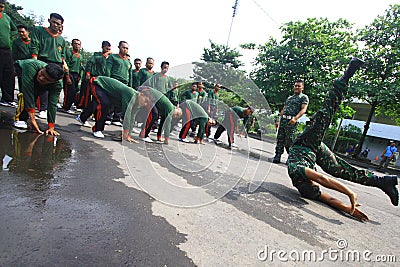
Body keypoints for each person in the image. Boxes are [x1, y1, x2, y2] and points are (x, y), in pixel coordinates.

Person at [287, 57, 398, 222]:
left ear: (308, 181)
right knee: (339, 169)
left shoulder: (296, 169)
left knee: (323, 117)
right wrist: (348, 209)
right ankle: (382, 181)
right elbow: (328, 199)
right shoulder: (309, 191)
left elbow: (322, 179)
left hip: (304, 145)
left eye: (314, 183)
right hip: (315, 151)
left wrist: (349, 193)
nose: (316, 184)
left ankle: (344, 78)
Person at [75, 76, 151, 139]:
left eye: (147, 103)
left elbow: (133, 117)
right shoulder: (130, 94)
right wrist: (126, 131)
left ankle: (82, 118)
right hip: (98, 83)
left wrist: (128, 134)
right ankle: (97, 129)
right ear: (141, 94)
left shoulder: (138, 103)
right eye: (145, 101)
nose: (145, 104)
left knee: (95, 104)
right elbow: (126, 115)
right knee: (104, 104)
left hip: (107, 92)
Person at [30, 13, 68, 119]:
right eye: (53, 22)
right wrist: (35, 60)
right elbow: (35, 45)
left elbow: (62, 54)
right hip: (43, 61)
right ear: (49, 21)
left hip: (56, 64)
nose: (55, 25)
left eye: (58, 24)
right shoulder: (39, 31)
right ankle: (33, 110)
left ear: (61, 25)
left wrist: (64, 65)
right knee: (37, 87)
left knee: (53, 88)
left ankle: (46, 110)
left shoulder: (61, 40)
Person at [12, 59, 64, 135]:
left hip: (38, 83)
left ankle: (23, 118)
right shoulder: (31, 66)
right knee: (26, 95)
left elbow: (52, 104)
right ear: (43, 68)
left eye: (47, 79)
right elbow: (28, 92)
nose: (41, 78)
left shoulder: (58, 85)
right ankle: (20, 119)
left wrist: (51, 127)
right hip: (20, 69)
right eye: (42, 73)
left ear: (54, 82)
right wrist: (32, 119)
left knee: (35, 94)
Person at [272, 79, 308, 163]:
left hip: (292, 121)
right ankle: (277, 155)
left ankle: (291, 158)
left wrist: (295, 118)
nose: (296, 87)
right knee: (280, 139)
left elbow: (303, 109)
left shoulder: (303, 97)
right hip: (284, 120)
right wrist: (278, 120)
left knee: (290, 140)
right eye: (295, 85)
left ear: (302, 87)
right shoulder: (290, 98)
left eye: (298, 86)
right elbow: (284, 109)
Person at [105, 41, 132, 126]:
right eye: (123, 47)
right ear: (119, 47)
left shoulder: (128, 62)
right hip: (114, 81)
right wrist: (108, 81)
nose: (125, 50)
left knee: (120, 101)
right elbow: (108, 70)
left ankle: (116, 118)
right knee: (111, 100)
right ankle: (107, 117)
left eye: (127, 48)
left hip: (124, 84)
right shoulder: (113, 57)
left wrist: (129, 87)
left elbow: (130, 76)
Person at [78, 40, 112, 109]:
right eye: (106, 49)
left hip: (102, 78)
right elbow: (90, 63)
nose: (108, 51)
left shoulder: (110, 58)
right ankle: (84, 108)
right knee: (88, 93)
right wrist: (88, 73)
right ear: (102, 47)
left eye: (109, 49)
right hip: (93, 77)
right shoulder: (97, 55)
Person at [0, 0, 17, 107]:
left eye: (2, 6)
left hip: (6, 50)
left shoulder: (6, 17)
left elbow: (15, 30)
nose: (1, 8)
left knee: (9, 73)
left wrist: (8, 36)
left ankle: (7, 98)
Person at [63, 38, 83, 113]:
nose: (77, 45)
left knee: (74, 91)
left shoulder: (80, 56)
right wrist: (67, 76)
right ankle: (66, 107)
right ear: (72, 44)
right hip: (70, 73)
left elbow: (80, 66)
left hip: (76, 75)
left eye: (78, 44)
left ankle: (68, 106)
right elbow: (66, 64)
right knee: (69, 91)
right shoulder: (69, 53)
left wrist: (79, 76)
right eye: (75, 43)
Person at [12, 24, 31, 90]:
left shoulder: (34, 42)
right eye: (19, 32)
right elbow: (14, 56)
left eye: (23, 32)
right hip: (20, 66)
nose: (21, 33)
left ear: (28, 32)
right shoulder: (16, 42)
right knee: (21, 85)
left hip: (31, 66)